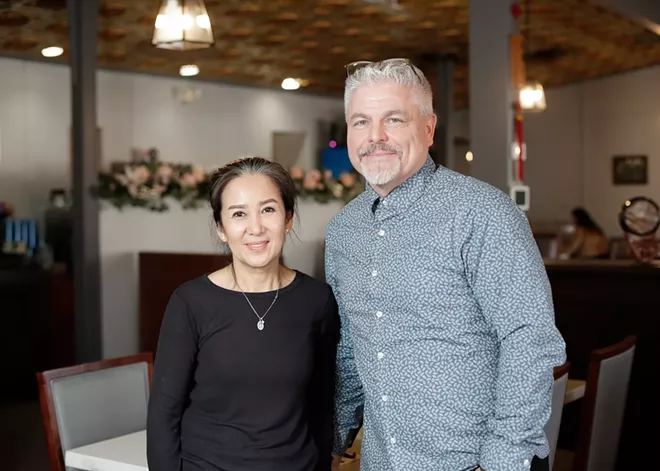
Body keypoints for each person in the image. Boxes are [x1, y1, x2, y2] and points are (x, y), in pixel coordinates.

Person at [325, 58, 567, 471]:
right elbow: (350, 344)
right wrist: (337, 434)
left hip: (477, 462)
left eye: (394, 119)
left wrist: (501, 460)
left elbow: (530, 339)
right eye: (360, 122)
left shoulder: (481, 212)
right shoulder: (343, 230)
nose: (375, 137)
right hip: (383, 462)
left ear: (429, 128)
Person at [147, 157, 339, 471]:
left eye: (268, 209)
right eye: (239, 214)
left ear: (288, 218)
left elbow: (321, 404)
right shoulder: (190, 302)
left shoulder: (316, 300)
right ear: (221, 228)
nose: (255, 227)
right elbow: (163, 416)